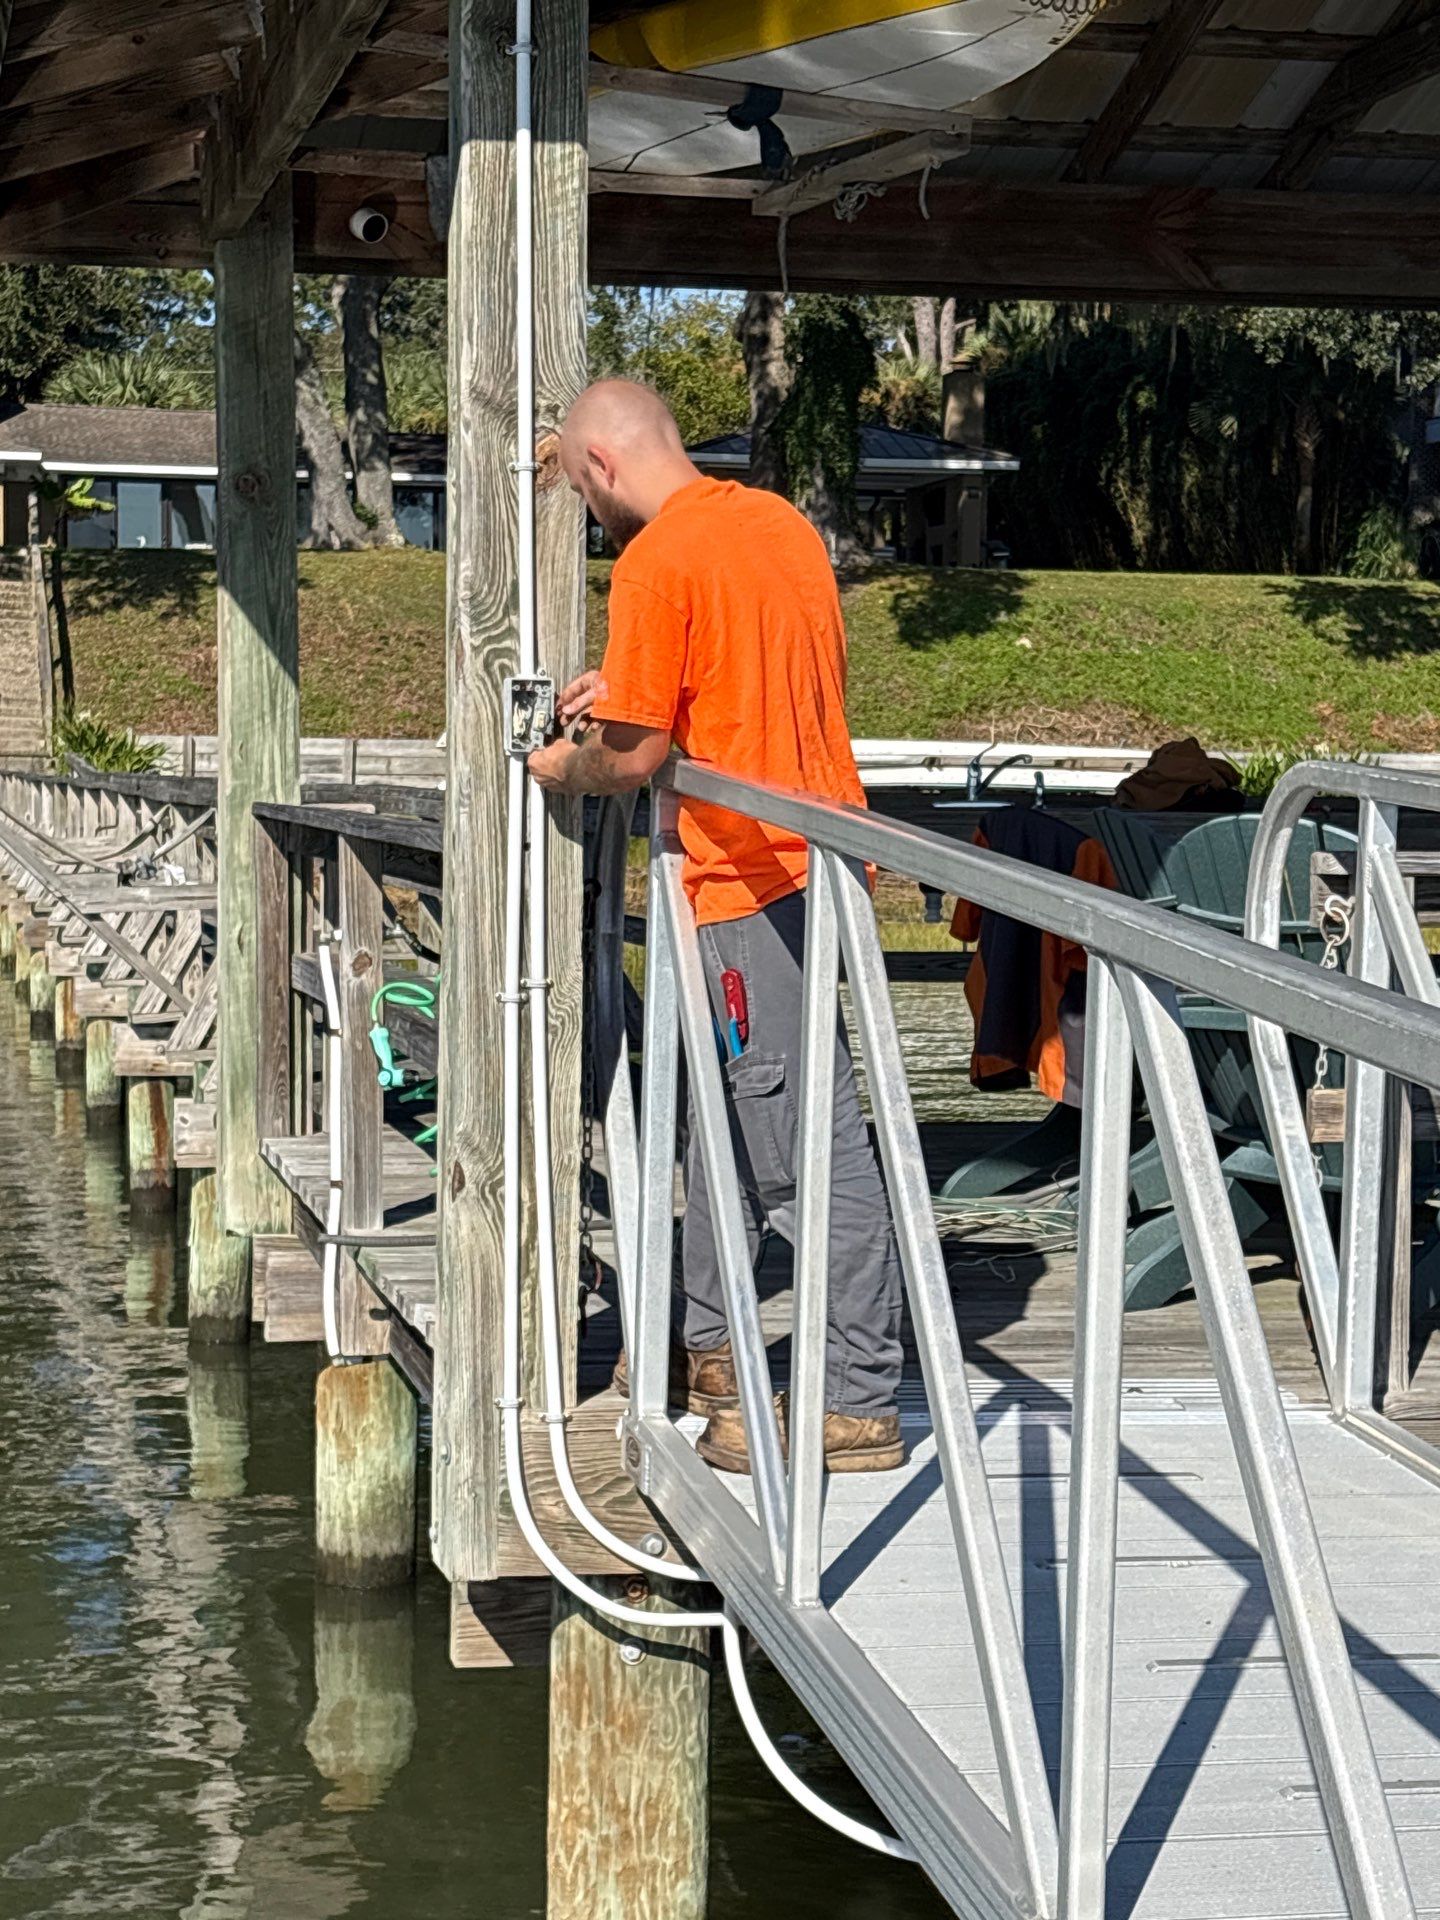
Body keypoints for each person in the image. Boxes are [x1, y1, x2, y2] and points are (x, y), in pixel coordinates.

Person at [528, 379, 904, 1474]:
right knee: (719, 1129)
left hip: (750, 881)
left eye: (576, 489)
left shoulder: (656, 559)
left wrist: (563, 766)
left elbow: (635, 757)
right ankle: (716, 1348)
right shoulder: (775, 523)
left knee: (798, 1150)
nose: (590, 513)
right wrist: (638, 690)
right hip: (820, 862)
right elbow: (740, 682)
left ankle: (854, 1395)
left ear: (600, 466)